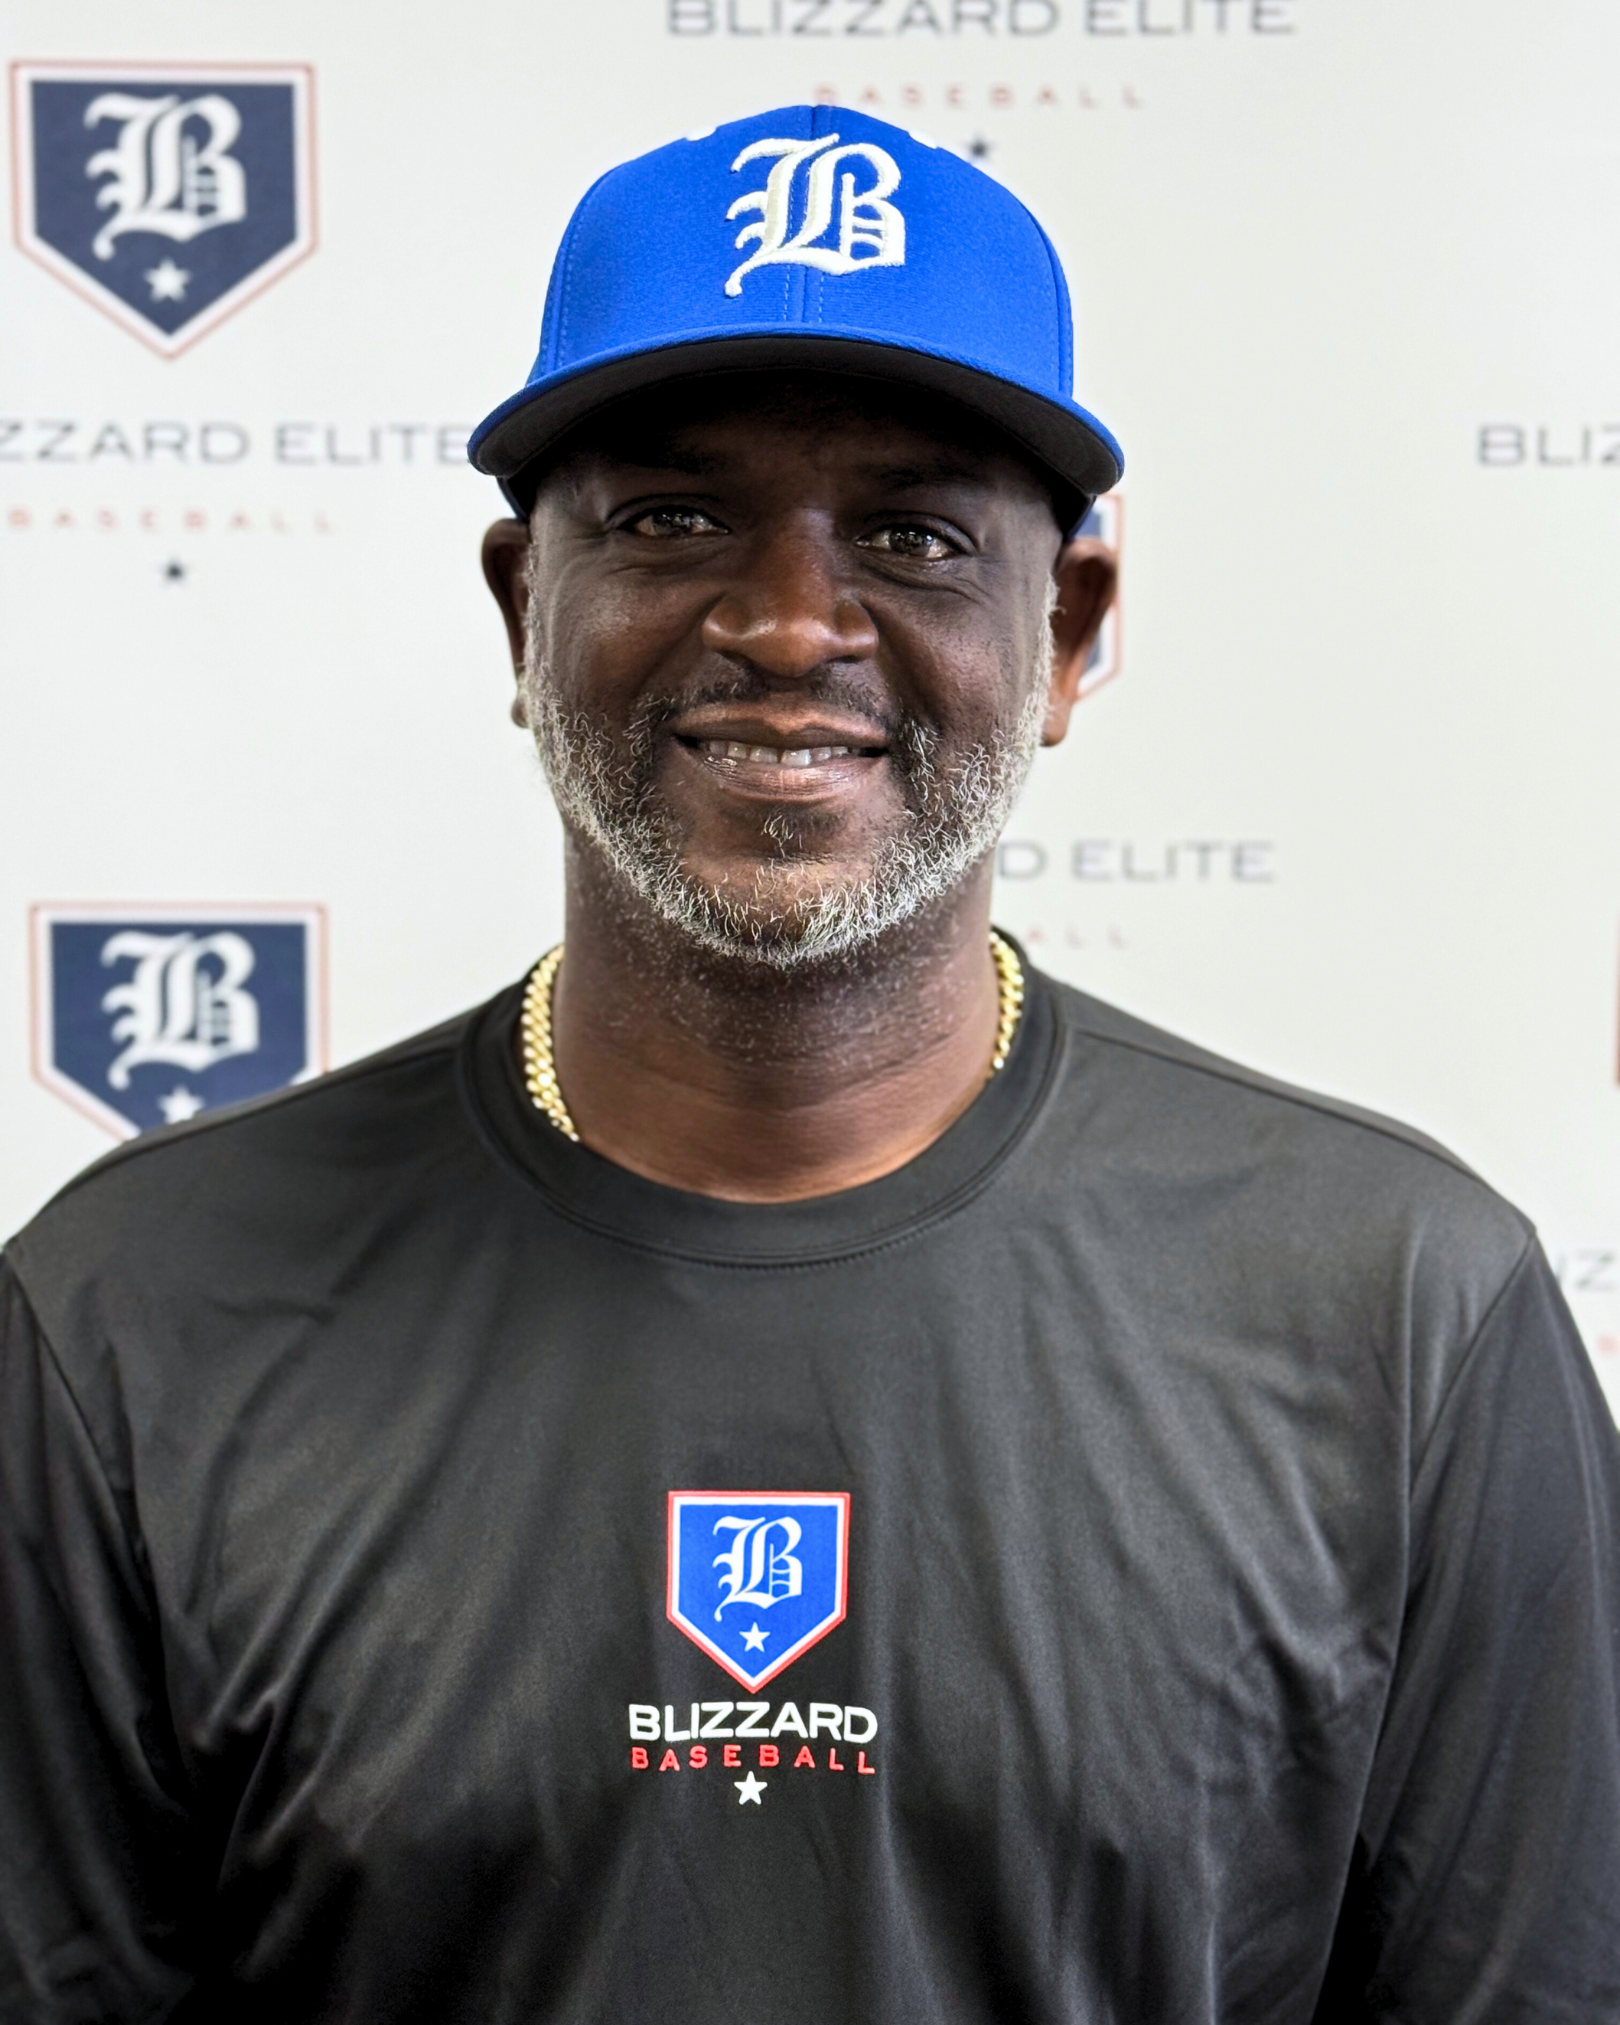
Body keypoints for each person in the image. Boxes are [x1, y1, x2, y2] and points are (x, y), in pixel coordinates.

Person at [2, 103, 1617, 2025]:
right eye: (670, 521)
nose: (786, 624)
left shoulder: (1404, 1313)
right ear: (524, 608)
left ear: (1068, 636)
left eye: (914, 537)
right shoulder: (130, 1317)